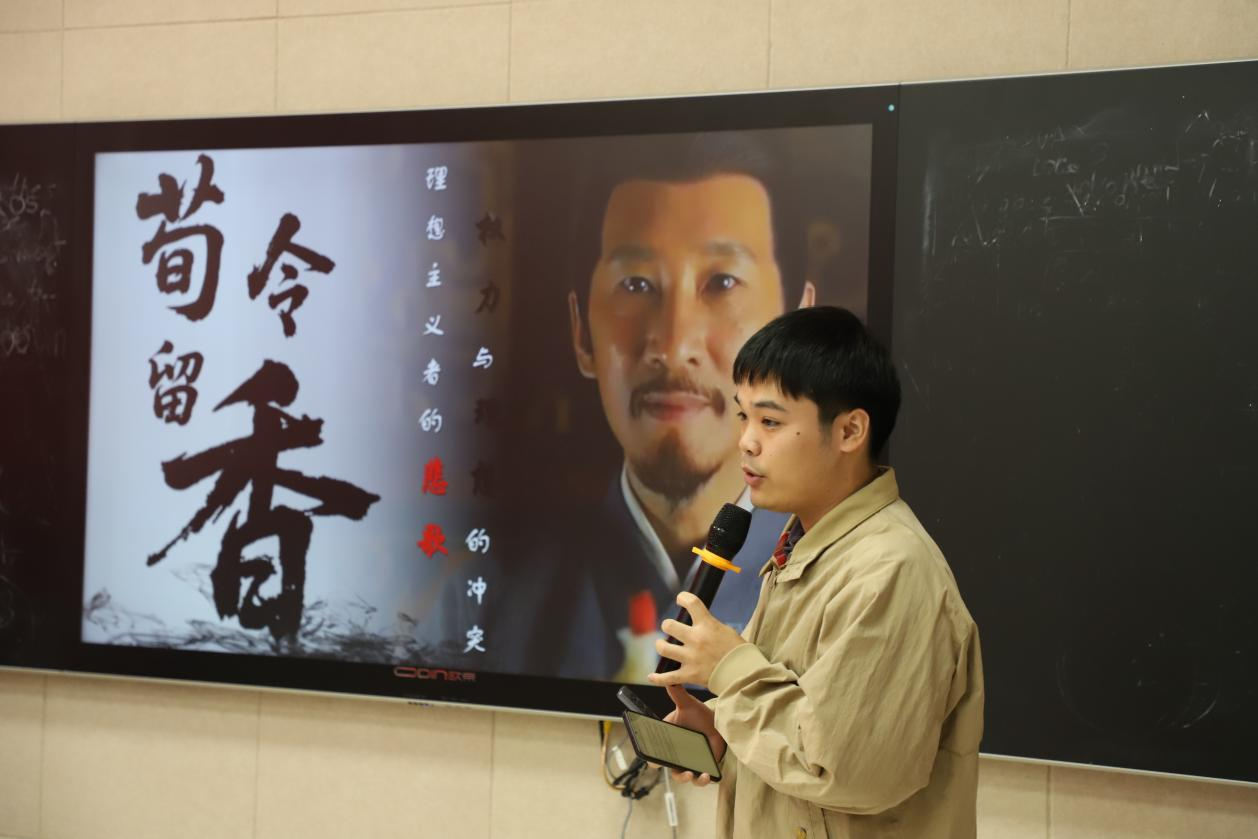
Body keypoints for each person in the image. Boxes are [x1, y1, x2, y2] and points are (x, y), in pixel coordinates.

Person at [650, 306, 984, 838]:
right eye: (743, 417)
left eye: (771, 422)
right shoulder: (805, 546)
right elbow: (809, 724)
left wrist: (730, 670)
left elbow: (847, 769)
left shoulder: (889, 568)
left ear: (850, 430)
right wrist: (726, 729)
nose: (747, 441)